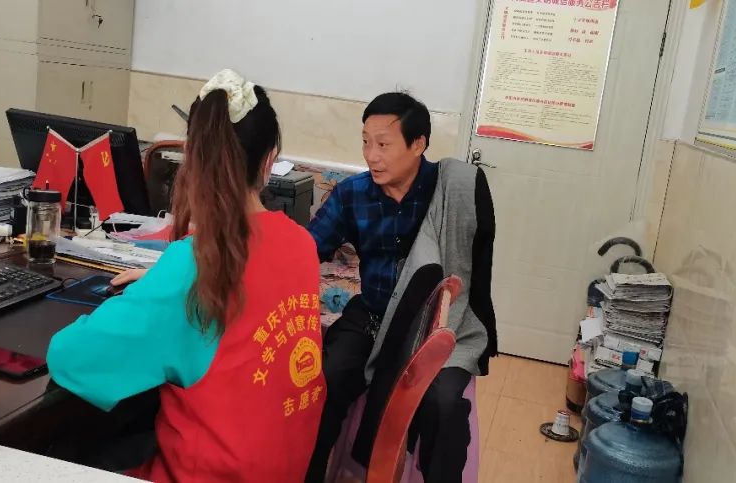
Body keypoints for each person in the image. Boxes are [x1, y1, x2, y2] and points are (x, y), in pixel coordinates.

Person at [47, 69, 325, 482]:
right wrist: (163, 285)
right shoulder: (301, 244)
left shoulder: (194, 266)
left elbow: (70, 358)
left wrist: (158, 290)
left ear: (192, 160)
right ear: (269, 161)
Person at [305, 92, 497, 482]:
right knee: (327, 379)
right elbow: (307, 251)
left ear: (418, 144)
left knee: (444, 403)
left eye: (383, 144)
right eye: (365, 142)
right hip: (374, 314)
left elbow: (475, 265)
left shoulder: (449, 190)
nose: (371, 156)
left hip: (435, 327)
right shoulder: (352, 195)